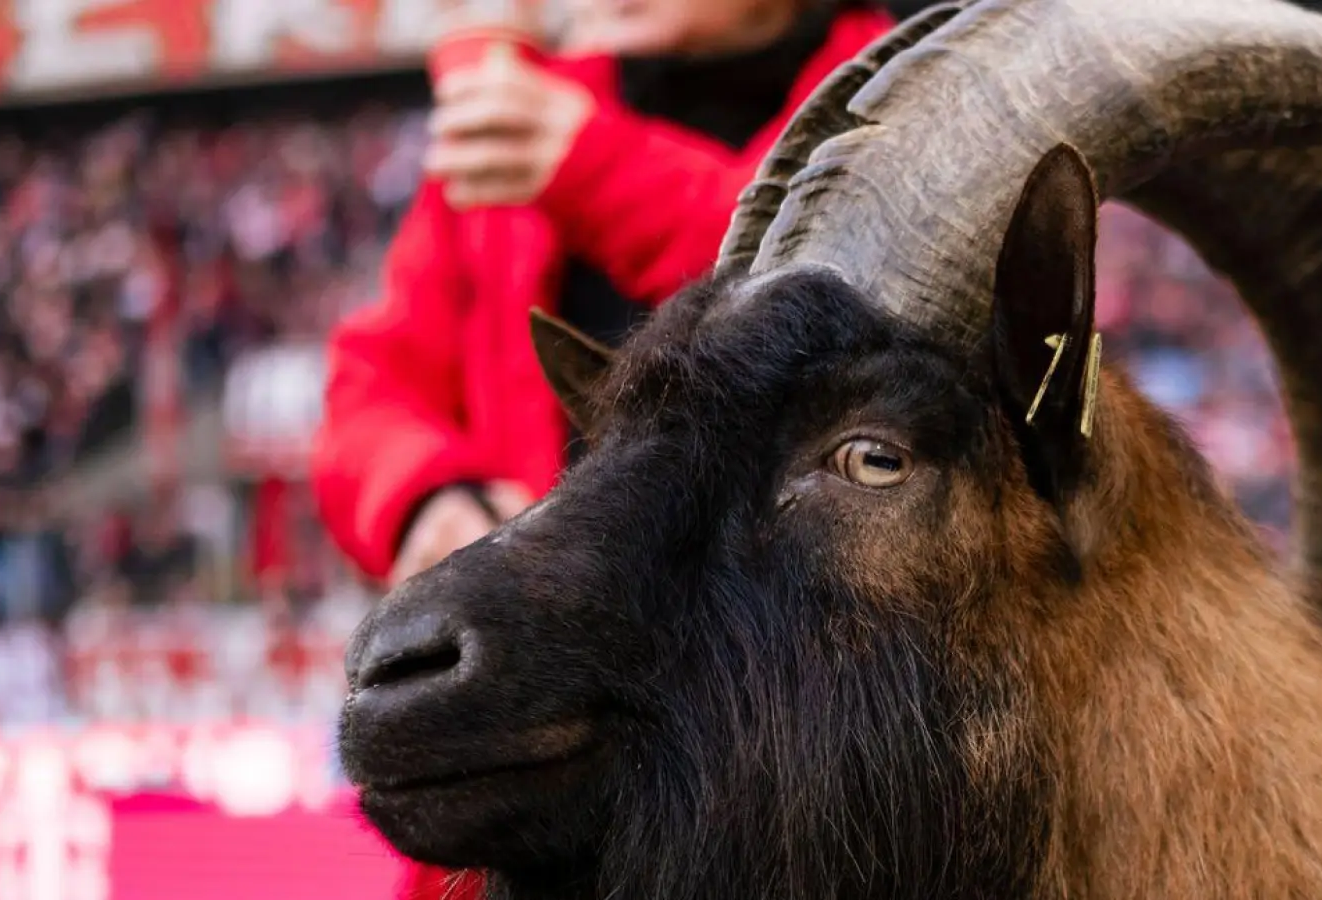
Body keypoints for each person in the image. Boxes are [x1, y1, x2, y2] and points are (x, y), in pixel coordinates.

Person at [308, 1, 898, 897]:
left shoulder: (902, 88)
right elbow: (371, 387)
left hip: (789, 749)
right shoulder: (530, 107)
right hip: (536, 718)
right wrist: (431, 501)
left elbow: (829, 304)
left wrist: (594, 166)